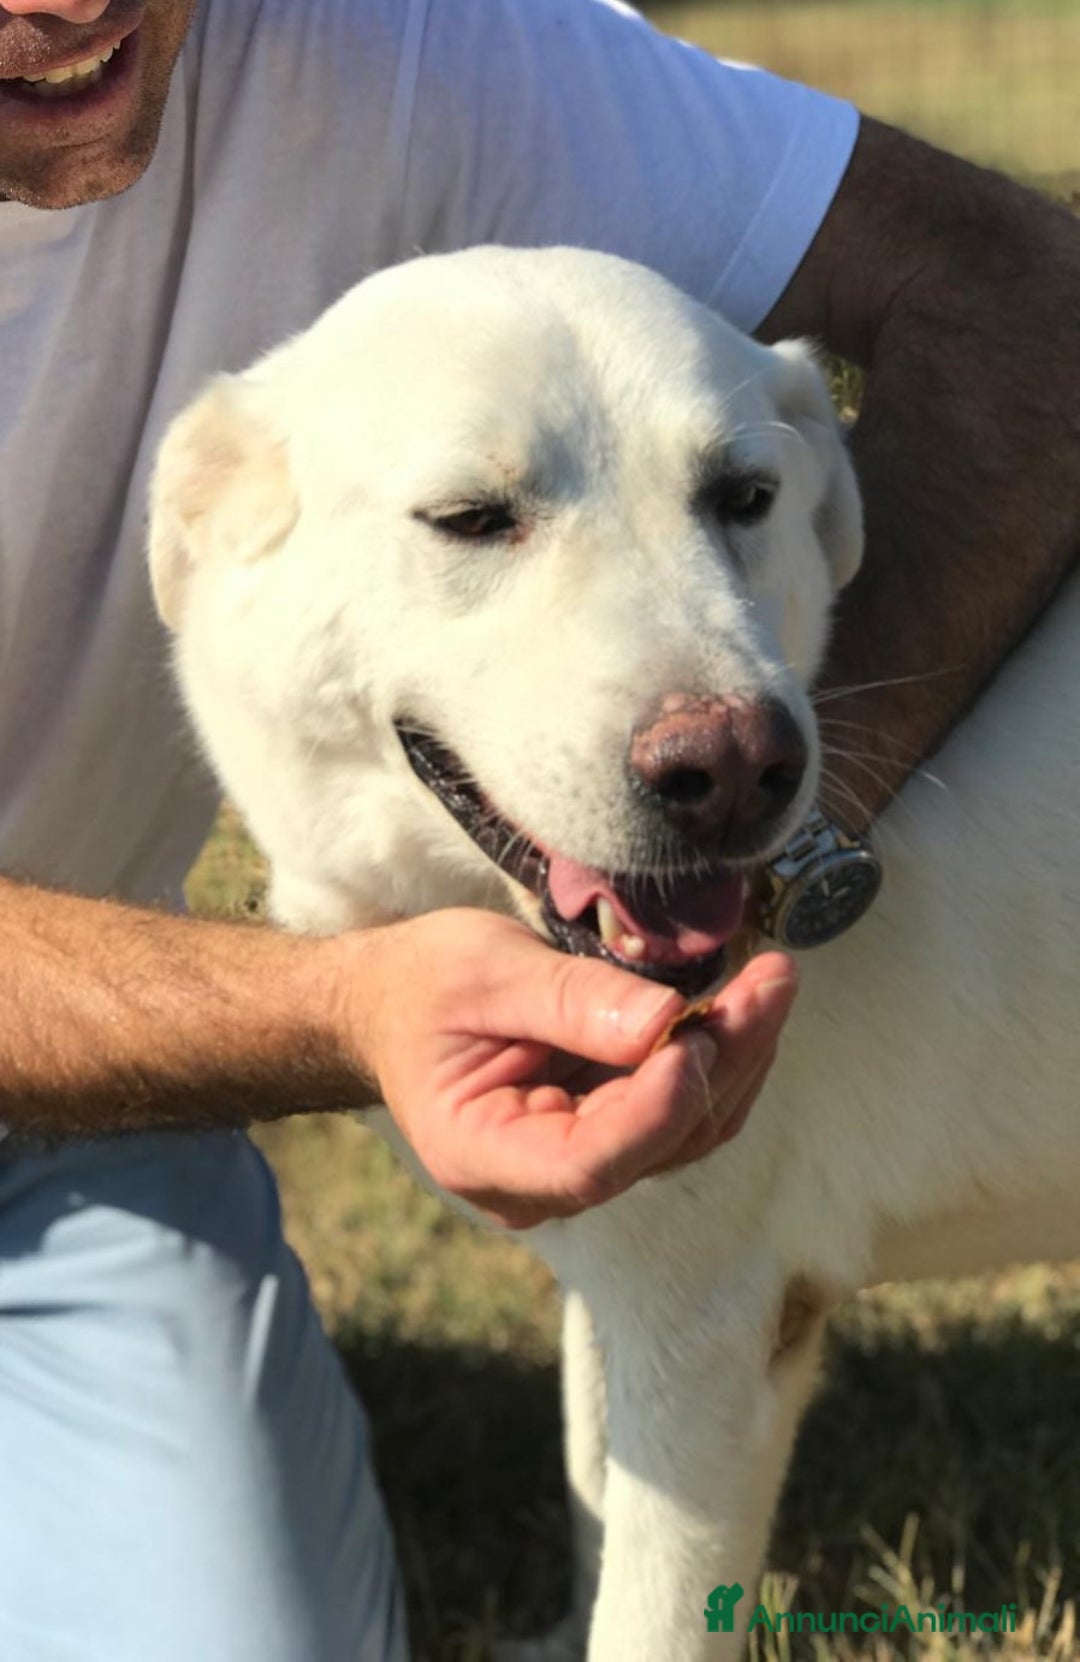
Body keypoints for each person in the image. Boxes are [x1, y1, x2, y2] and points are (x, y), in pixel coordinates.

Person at [1, 1, 1078, 1657]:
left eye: (739, 500)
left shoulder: (395, 45)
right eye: (472, 520)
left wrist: (819, 823)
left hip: (78, 1143)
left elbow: (1013, 294)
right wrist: (348, 1006)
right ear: (200, 519)